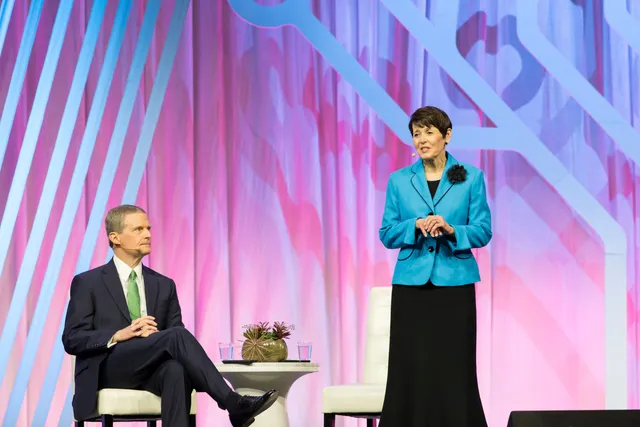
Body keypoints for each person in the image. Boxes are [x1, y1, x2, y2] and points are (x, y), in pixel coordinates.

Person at [62, 204, 277, 427]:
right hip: (109, 367)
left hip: (150, 368)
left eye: (148, 228)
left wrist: (155, 337)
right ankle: (233, 403)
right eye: (138, 230)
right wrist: (119, 334)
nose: (147, 234)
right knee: (176, 336)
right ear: (115, 238)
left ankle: (232, 405)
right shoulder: (88, 283)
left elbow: (176, 340)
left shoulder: (164, 285)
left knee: (176, 369)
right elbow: (72, 339)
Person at [378, 106, 492, 426]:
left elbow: (483, 230)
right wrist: (415, 224)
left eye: (429, 132)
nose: (422, 140)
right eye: (416, 133)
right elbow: (387, 233)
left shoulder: (469, 177)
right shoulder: (400, 180)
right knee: (409, 366)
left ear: (447, 135)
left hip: (454, 283)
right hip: (411, 285)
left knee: (453, 366)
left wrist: (452, 230)